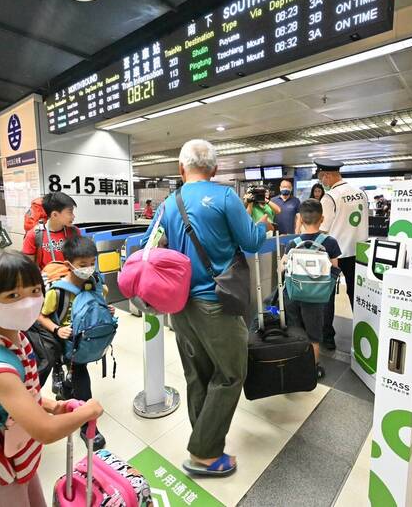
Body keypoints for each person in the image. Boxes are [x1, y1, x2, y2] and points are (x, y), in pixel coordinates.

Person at [142, 139, 266, 477]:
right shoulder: (226, 197)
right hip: (217, 304)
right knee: (230, 374)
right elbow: (253, 242)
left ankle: (203, 440)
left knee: (197, 374)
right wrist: (261, 223)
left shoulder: (169, 203)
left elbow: (147, 248)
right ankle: (205, 453)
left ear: (181, 170)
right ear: (214, 169)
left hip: (179, 306)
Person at [0, 250, 103, 506]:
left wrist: (51, 405)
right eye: (13, 295)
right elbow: (45, 431)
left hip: (18, 457)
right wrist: (88, 411)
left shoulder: (15, 336)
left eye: (35, 291)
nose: (29, 302)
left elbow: (19, 394)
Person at [36, 235, 114, 451]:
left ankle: (67, 388)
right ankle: (86, 422)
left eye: (92, 263)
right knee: (81, 375)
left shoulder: (97, 283)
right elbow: (40, 316)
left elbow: (101, 303)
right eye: (82, 265)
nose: (88, 269)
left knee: (77, 372)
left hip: (87, 340)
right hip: (67, 341)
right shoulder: (57, 291)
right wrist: (57, 329)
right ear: (68, 263)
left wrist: (106, 311)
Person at [315, 159, 369, 350]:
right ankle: (364, 333)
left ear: (327, 175)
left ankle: (327, 338)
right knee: (358, 295)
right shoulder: (361, 192)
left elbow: (323, 229)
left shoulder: (330, 197)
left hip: (335, 254)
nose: (323, 181)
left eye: (322, 177)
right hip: (360, 254)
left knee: (327, 296)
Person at [284, 199, 341, 379]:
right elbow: (334, 268)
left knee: (294, 329)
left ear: (300, 218)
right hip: (316, 297)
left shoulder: (293, 243)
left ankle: (295, 364)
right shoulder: (330, 242)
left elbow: (283, 267)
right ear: (322, 218)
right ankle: (313, 367)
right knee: (314, 335)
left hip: (293, 294)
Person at [21, 192, 80, 269]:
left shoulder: (74, 232)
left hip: (70, 278)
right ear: (54, 215)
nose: (73, 216)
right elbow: (29, 267)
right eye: (70, 212)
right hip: (46, 279)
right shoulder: (34, 235)